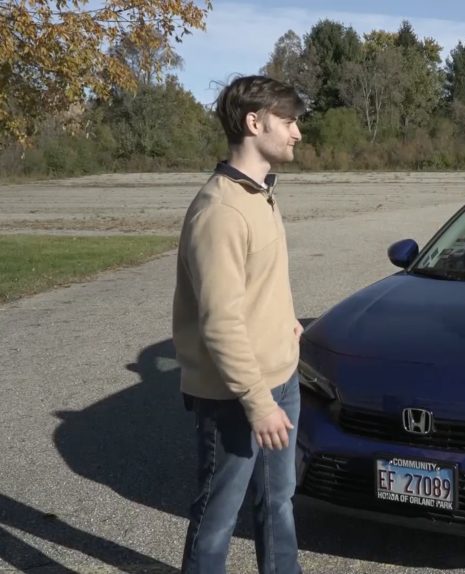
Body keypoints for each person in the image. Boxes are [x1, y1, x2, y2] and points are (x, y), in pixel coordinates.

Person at [171, 75, 305, 574]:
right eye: (288, 122)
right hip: (236, 396)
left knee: (278, 504)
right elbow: (220, 322)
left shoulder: (260, 193)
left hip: (280, 380)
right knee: (217, 515)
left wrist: (285, 321)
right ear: (255, 123)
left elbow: (258, 283)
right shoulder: (221, 210)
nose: (297, 134)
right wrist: (257, 401)